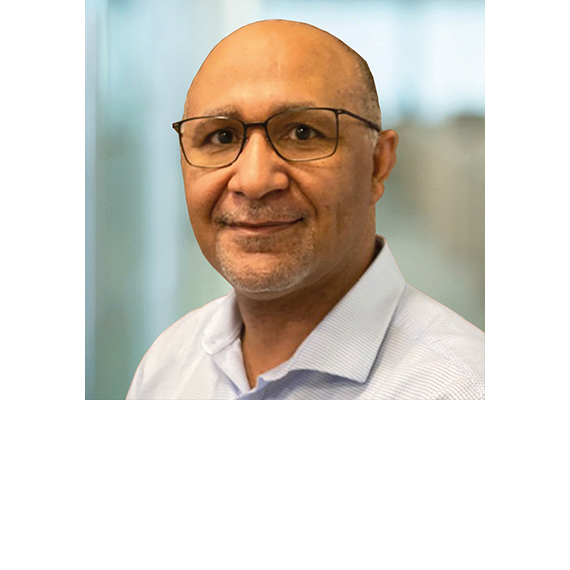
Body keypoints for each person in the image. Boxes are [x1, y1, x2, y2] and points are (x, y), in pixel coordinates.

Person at [127, 19, 484, 400]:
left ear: (378, 163)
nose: (254, 181)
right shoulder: (167, 365)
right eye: (222, 136)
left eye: (302, 133)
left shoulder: (464, 391)